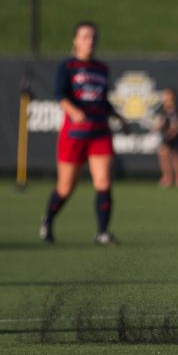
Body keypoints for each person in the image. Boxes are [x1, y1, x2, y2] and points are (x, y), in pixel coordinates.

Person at [39, 21, 127, 246]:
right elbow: (60, 95)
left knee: (104, 182)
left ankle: (102, 232)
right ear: (76, 41)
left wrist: (119, 118)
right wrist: (74, 111)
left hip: (99, 131)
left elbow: (103, 99)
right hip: (75, 133)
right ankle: (47, 220)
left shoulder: (101, 69)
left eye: (93, 37)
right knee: (66, 187)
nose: (90, 41)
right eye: (85, 36)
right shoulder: (67, 67)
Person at [155, 86, 178, 189]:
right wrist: (158, 127)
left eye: (168, 94)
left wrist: (171, 133)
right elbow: (159, 123)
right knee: (163, 156)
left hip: (175, 137)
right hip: (165, 136)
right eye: (165, 95)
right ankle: (167, 178)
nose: (166, 97)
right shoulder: (162, 109)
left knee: (176, 157)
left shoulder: (175, 109)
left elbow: (177, 125)